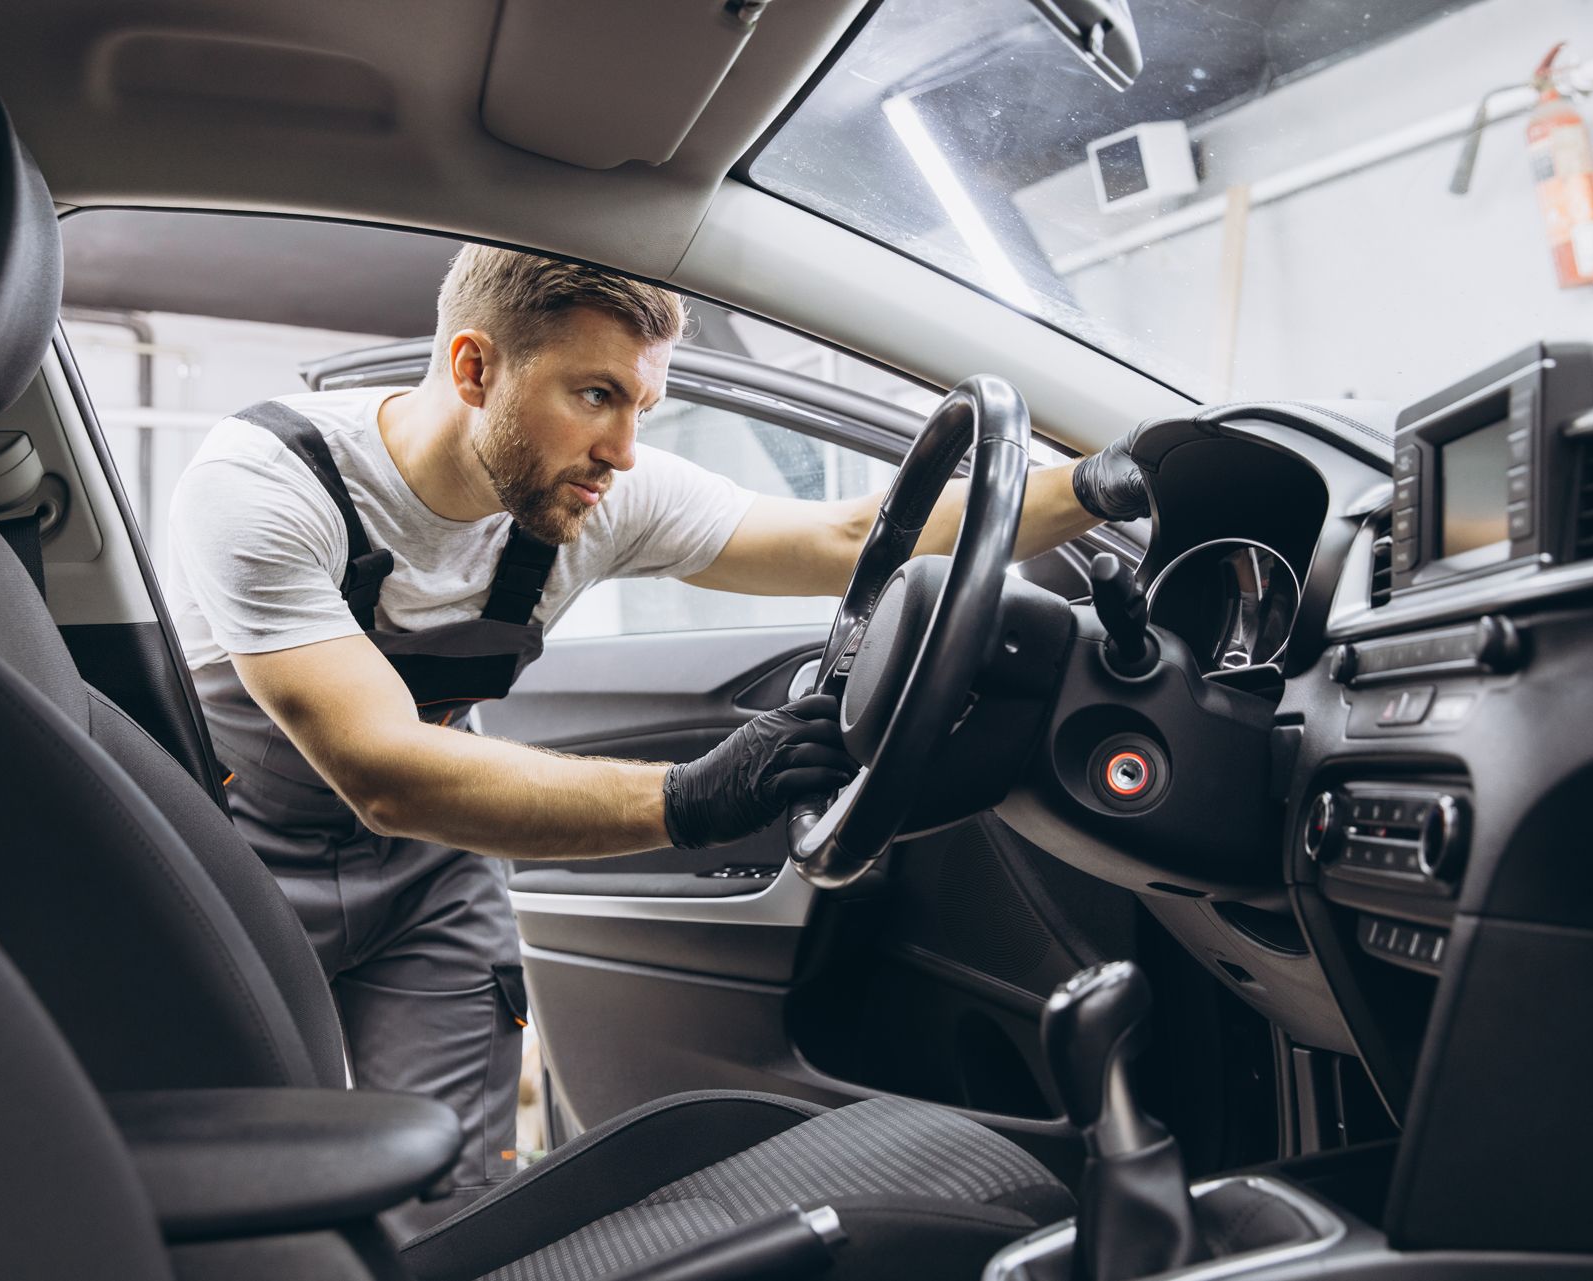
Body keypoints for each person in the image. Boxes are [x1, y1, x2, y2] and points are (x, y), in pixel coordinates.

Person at [165, 245, 1147, 1203]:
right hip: (242, 872)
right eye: (595, 395)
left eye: (642, 405)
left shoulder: (597, 494)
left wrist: (1109, 484)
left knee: (448, 1192)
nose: (624, 451)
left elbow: (849, 538)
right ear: (473, 367)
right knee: (252, 1183)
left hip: (431, 879)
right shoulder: (269, 482)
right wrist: (690, 797)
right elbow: (383, 770)